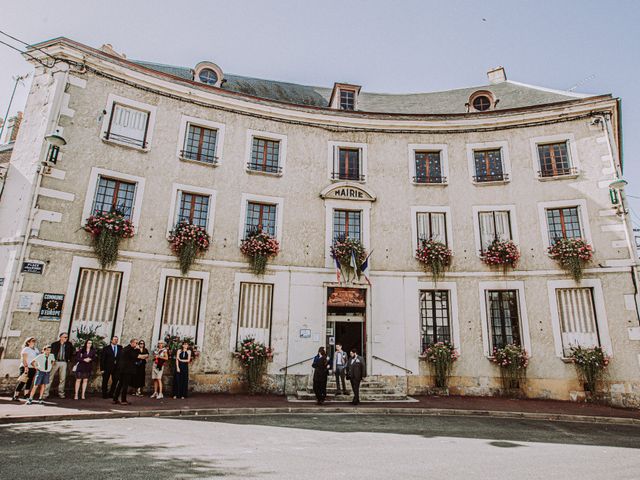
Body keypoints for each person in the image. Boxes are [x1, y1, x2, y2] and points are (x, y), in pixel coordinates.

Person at [45, 332, 75, 399]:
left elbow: (72, 352)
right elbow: (51, 353)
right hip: (55, 362)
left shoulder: (69, 344)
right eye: (65, 337)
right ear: (60, 337)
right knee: (50, 377)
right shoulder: (54, 344)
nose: (66, 338)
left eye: (67, 337)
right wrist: (52, 360)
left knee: (62, 378)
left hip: (64, 362)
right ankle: (45, 393)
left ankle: (61, 393)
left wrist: (69, 360)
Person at [112, 338, 140, 405]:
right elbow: (135, 356)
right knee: (125, 385)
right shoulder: (130, 350)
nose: (136, 345)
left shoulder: (125, 348)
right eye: (136, 343)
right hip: (127, 370)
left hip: (122, 370)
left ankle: (115, 399)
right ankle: (123, 400)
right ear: (132, 343)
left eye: (137, 343)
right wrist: (138, 349)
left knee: (120, 384)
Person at [12, 337, 39, 401]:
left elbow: (37, 359)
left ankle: (26, 395)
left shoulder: (36, 350)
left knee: (29, 381)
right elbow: (23, 359)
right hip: (25, 367)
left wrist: (36, 367)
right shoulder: (26, 349)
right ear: (28, 342)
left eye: (34, 341)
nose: (34, 342)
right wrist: (26, 367)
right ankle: (15, 396)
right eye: (32, 341)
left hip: (32, 367)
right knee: (22, 381)